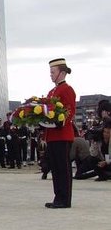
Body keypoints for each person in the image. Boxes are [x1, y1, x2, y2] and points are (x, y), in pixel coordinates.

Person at [43, 58, 76, 209]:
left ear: (61, 73)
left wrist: (59, 122)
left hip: (62, 133)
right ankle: (58, 197)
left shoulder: (67, 89)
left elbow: (70, 110)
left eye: (52, 72)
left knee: (63, 168)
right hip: (52, 135)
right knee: (55, 168)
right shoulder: (52, 91)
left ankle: (65, 199)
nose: (50, 75)